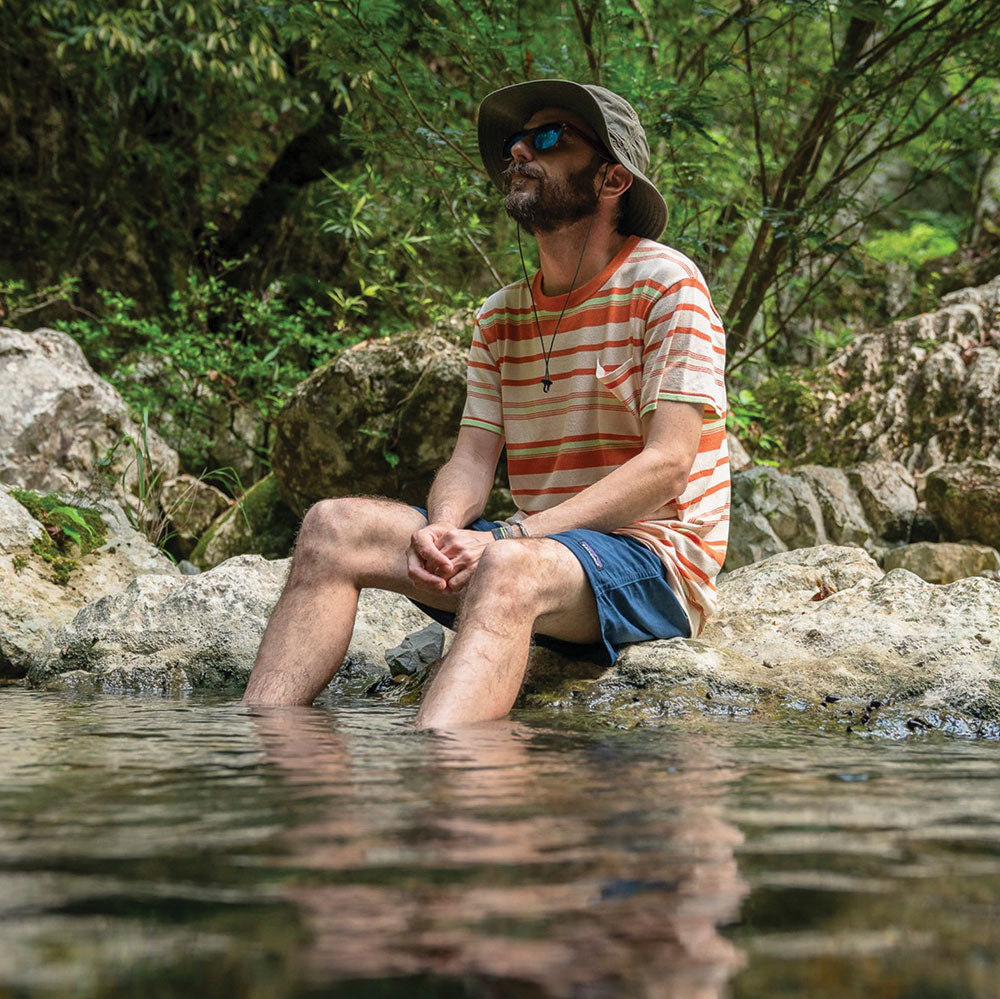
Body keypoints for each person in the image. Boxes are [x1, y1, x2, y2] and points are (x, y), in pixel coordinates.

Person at [242, 80, 730, 728]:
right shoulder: (500, 316)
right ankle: (262, 763)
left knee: (505, 566)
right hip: (544, 558)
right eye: (516, 141)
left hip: (654, 566)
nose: (521, 149)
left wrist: (511, 534)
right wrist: (443, 527)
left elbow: (667, 465)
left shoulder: (667, 286)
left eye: (549, 137)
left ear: (612, 180)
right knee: (333, 529)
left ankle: (452, 798)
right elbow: (472, 461)